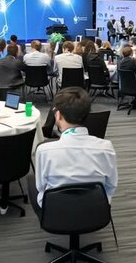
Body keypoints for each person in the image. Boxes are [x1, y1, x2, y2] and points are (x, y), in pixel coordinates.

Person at [29, 87, 117, 216]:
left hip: (55, 211)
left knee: (31, 180)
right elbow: (111, 186)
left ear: (58, 115)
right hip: (96, 209)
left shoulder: (43, 150)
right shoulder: (106, 147)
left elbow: (41, 187)